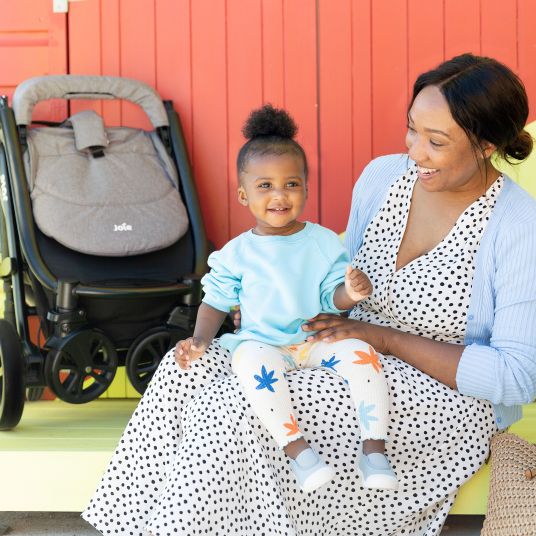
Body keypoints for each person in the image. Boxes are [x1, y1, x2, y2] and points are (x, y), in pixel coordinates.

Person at [83, 53, 536, 536]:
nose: (415, 151)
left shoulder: (517, 226)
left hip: (439, 397)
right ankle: (139, 526)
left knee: (242, 404)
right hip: (340, 346)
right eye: (412, 129)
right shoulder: (382, 178)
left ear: (486, 144)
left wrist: (384, 339)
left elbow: (517, 378)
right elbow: (335, 281)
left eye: (436, 141)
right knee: (186, 371)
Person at [174, 104, 397, 493]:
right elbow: (216, 301)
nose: (280, 195)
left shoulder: (324, 242)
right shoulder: (236, 253)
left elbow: (335, 296)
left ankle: (374, 448)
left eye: (291, 184)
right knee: (249, 363)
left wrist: (353, 291)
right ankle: (298, 453)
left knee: (363, 355)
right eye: (265, 186)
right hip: (264, 344)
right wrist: (200, 340)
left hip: (315, 342)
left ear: (306, 189)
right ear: (243, 195)